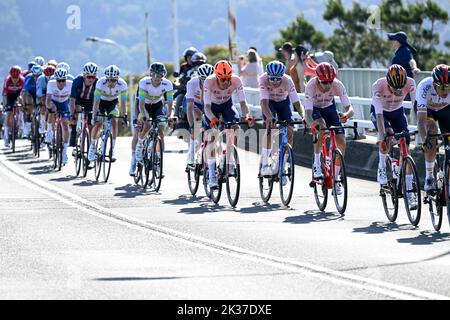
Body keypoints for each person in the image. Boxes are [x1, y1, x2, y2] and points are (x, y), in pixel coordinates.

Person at [371, 64, 418, 209]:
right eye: (394, 89)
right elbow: (378, 115)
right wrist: (382, 134)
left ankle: (409, 191)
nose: (398, 92)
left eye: (400, 89)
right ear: (388, 82)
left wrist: (421, 128)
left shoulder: (410, 82)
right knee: (387, 136)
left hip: (398, 113)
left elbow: (417, 106)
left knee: (406, 144)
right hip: (381, 114)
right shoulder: (378, 85)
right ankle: (382, 168)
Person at [304, 62, 354, 195]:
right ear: (317, 79)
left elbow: (350, 108)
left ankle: (336, 178)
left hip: (329, 108)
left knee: (342, 142)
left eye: (330, 82)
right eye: (324, 82)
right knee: (322, 126)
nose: (327, 85)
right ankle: (316, 164)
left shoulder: (337, 84)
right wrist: (312, 124)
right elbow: (307, 114)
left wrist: (346, 115)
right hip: (315, 109)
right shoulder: (311, 86)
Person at [203, 60, 252, 189]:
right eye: (223, 79)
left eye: (228, 78)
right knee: (212, 137)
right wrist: (213, 119)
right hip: (212, 108)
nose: (226, 82)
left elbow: (243, 103)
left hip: (227, 105)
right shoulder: (209, 81)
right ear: (217, 77)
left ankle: (228, 159)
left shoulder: (236, 80)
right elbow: (207, 107)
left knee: (236, 127)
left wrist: (246, 116)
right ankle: (212, 175)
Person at [259, 61, 305, 178]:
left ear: (282, 76)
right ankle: (265, 162)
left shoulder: (288, 80)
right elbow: (264, 103)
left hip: (283, 103)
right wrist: (269, 117)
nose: (274, 82)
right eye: (272, 79)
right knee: (271, 128)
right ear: (267, 75)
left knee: (290, 131)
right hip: (269, 104)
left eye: (277, 79)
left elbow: (297, 103)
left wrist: (304, 116)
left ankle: (283, 161)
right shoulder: (263, 79)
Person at [417, 64, 450, 191]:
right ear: (435, 84)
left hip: (445, 109)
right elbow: (420, 121)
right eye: (442, 87)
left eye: (448, 87)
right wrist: (425, 139)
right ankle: (429, 176)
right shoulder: (424, 86)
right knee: (431, 132)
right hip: (428, 111)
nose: (445, 91)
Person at [134, 62, 174, 166]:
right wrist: (144, 116)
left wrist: (169, 116)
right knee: (147, 126)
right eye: (155, 75)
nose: (157, 77)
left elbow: (170, 103)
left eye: (160, 75)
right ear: (150, 74)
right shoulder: (144, 82)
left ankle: (159, 160)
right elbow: (141, 104)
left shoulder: (167, 84)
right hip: (145, 106)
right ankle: (139, 145)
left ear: (163, 75)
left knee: (161, 131)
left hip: (157, 106)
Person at [88, 65, 128, 162]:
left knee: (114, 120)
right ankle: (92, 147)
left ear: (117, 79)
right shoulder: (100, 83)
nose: (110, 82)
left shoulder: (122, 84)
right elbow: (96, 102)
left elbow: (123, 103)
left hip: (112, 103)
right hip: (100, 103)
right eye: (109, 79)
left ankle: (112, 148)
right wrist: (94, 116)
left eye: (113, 80)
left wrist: (124, 117)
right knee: (98, 123)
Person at [185, 63, 215, 168]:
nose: (206, 82)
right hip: (195, 103)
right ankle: (191, 154)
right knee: (196, 122)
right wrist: (192, 126)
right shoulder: (192, 83)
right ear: (199, 77)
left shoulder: (215, 82)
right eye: (203, 79)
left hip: (208, 104)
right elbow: (189, 107)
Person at [45, 68, 73, 165]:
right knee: (52, 112)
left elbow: (72, 100)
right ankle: (49, 132)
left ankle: (64, 152)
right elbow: (47, 100)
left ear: (66, 79)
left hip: (64, 103)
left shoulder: (70, 84)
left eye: (63, 80)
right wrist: (50, 106)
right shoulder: (51, 84)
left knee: (65, 125)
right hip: (53, 102)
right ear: (55, 79)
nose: (61, 83)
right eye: (59, 81)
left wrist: (72, 111)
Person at [69, 62, 99, 147]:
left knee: (90, 125)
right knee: (77, 109)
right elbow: (72, 100)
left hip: (90, 102)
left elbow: (98, 100)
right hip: (78, 100)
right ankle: (74, 132)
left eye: (93, 77)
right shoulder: (77, 81)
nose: (91, 79)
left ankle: (90, 144)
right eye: (88, 76)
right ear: (84, 75)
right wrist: (72, 114)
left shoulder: (97, 83)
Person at [2, 66, 24, 147]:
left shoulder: (22, 80)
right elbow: (5, 95)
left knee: (21, 104)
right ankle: (6, 136)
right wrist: (5, 106)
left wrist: (23, 104)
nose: (14, 79)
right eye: (13, 77)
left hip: (18, 94)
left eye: (16, 78)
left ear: (19, 76)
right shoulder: (7, 80)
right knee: (9, 113)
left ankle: (20, 123)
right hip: (9, 96)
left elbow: (23, 93)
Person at [22, 65, 43, 138]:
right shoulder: (28, 78)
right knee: (29, 104)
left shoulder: (43, 78)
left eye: (38, 76)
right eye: (35, 76)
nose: (36, 78)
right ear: (32, 74)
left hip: (39, 93)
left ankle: (41, 123)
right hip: (30, 93)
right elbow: (24, 92)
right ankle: (27, 127)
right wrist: (24, 103)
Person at [36, 65, 56, 134]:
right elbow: (39, 93)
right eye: (47, 78)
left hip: (52, 93)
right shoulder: (41, 79)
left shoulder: (56, 79)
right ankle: (42, 121)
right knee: (43, 102)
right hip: (43, 93)